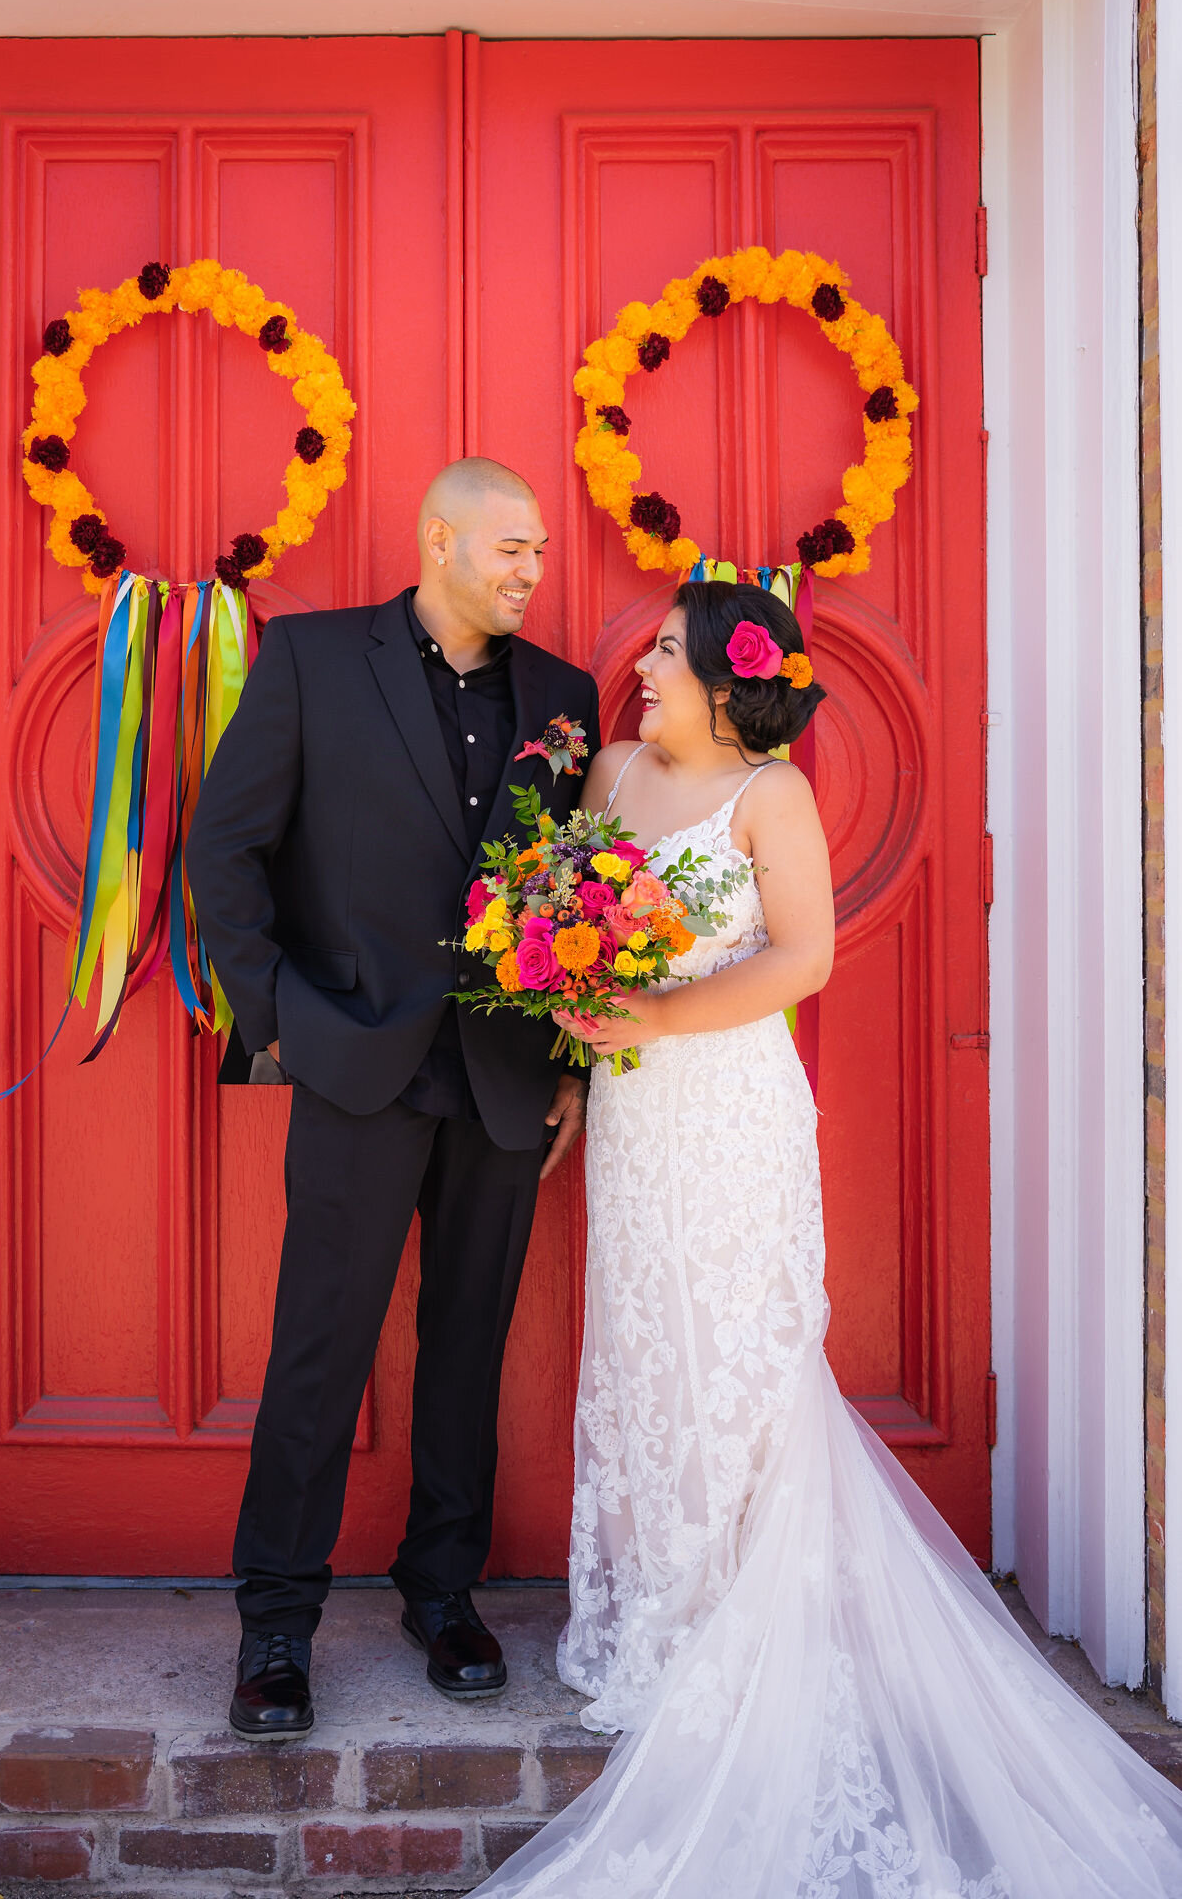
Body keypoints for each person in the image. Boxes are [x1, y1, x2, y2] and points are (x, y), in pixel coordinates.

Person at [475, 579, 1182, 1898]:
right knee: (647, 1347)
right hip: (633, 1115)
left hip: (731, 1108)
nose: (643, 670)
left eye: (671, 659)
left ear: (730, 689)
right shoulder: (614, 772)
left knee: (737, 1359)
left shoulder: (773, 798)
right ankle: (660, 1616)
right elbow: (569, 929)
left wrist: (655, 1026)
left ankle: (744, 1629)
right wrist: (578, 1056)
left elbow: (801, 959)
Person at [186, 457, 600, 1741]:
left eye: (540, 551)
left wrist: (573, 1062)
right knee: (320, 1344)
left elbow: (580, 892)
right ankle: (275, 1622)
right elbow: (225, 847)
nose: (535, 571)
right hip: (355, 1063)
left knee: (467, 1343)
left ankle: (443, 1591)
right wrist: (282, 1025)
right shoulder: (310, 661)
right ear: (439, 540)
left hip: (504, 1076)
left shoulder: (565, 697)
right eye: (513, 548)